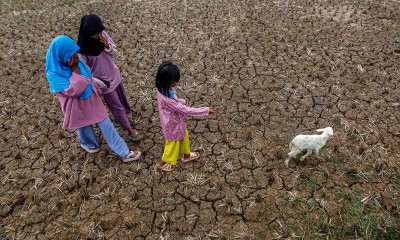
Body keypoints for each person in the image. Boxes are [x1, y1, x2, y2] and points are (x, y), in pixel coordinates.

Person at [45, 35, 141, 162]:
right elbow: (74, 91)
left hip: (91, 99)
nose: (75, 56)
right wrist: (74, 70)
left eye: (75, 52)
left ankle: (124, 152)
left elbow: (89, 78)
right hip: (76, 106)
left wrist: (99, 92)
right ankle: (89, 144)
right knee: (83, 126)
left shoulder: (76, 61)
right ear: (61, 54)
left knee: (106, 124)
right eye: (71, 54)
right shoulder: (54, 74)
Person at [77, 14, 142, 141]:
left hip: (114, 74)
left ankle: (126, 114)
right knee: (116, 106)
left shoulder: (103, 36)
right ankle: (129, 129)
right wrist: (97, 86)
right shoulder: (82, 51)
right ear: (87, 33)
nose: (98, 35)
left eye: (100, 31)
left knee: (122, 98)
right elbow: (85, 72)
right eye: (95, 33)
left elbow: (115, 53)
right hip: (104, 83)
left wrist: (107, 45)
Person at [155, 61, 216, 172]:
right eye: (174, 80)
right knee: (172, 146)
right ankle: (162, 163)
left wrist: (180, 101)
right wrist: (205, 110)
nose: (176, 82)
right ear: (166, 81)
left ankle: (186, 156)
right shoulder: (167, 99)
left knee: (184, 137)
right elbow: (186, 110)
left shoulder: (164, 88)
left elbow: (177, 102)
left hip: (178, 123)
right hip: (172, 126)